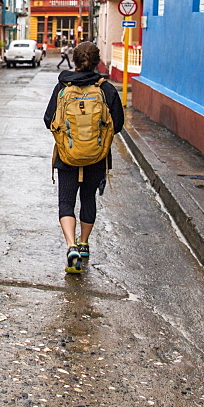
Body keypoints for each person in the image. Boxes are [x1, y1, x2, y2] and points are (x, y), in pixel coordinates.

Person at [43, 41, 124, 273]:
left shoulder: (62, 88)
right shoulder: (106, 89)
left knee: (66, 201)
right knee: (89, 198)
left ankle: (71, 246)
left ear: (75, 61)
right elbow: (117, 124)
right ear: (97, 61)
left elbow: (49, 119)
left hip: (67, 155)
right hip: (97, 157)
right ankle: (84, 243)